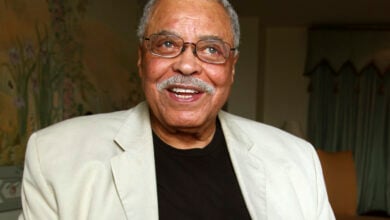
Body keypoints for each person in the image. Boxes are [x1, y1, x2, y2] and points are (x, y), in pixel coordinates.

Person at [18, 0, 335, 219]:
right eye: (167, 44)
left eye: (212, 49)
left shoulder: (297, 160)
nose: (186, 65)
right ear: (142, 58)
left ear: (232, 67)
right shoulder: (55, 157)